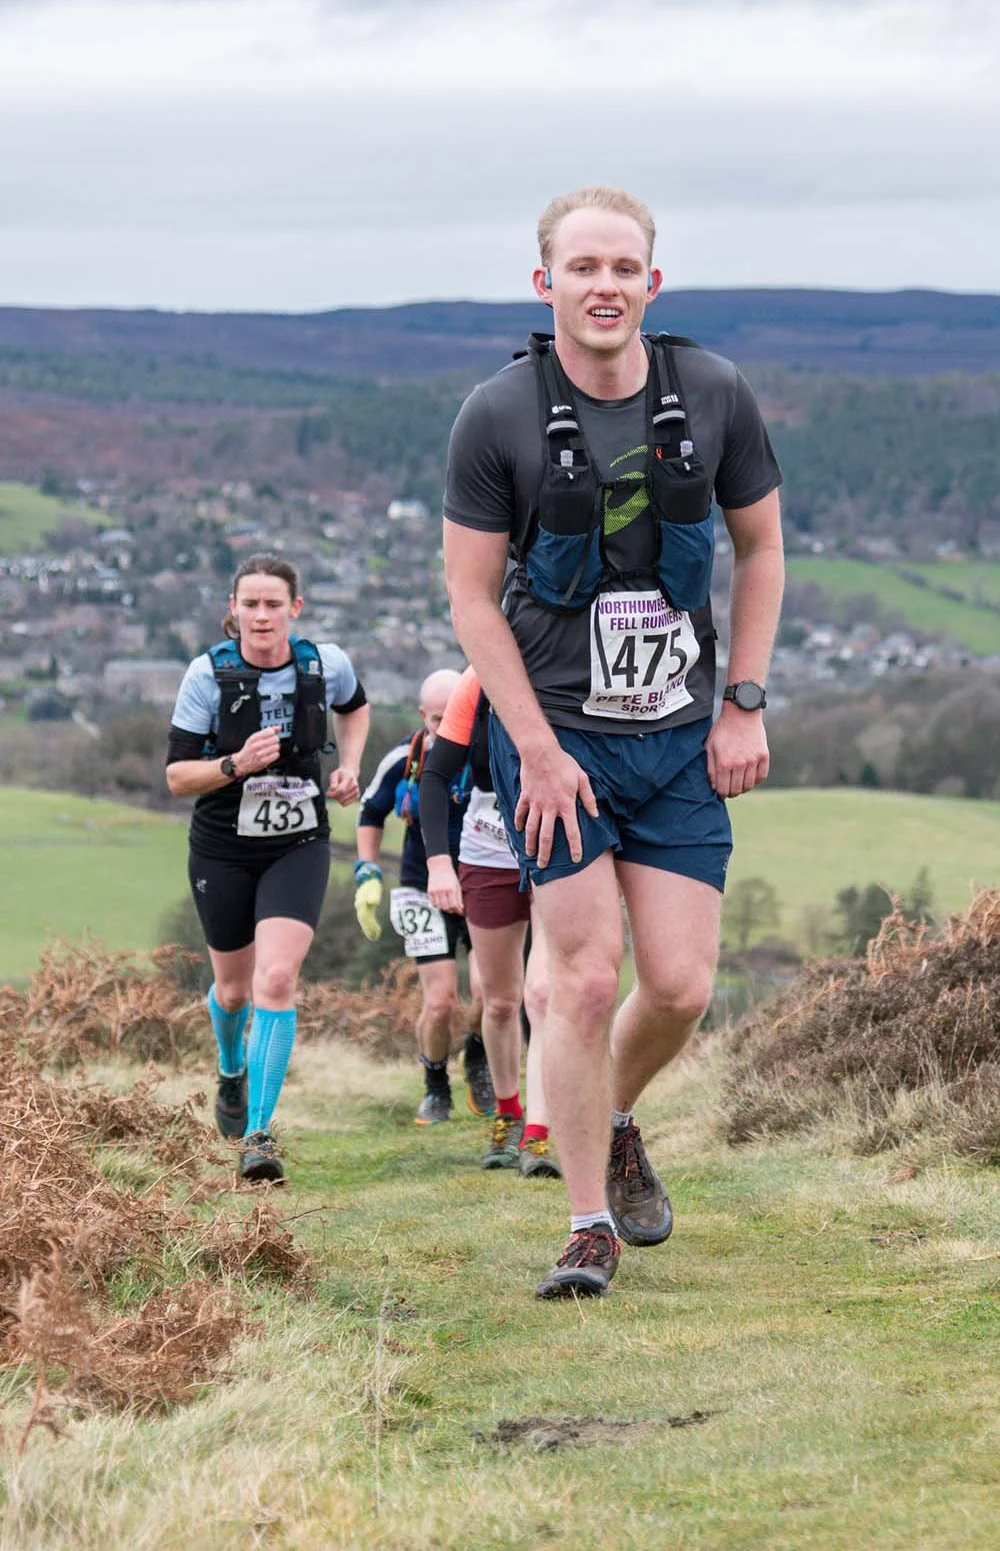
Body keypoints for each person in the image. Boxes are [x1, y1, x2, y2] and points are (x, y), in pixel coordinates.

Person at [443, 185, 783, 1298]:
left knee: (679, 985)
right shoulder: (495, 415)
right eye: (580, 267)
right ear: (544, 284)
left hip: (679, 732)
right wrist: (534, 749)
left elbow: (761, 549)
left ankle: (618, 1115)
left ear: (652, 281)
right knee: (580, 979)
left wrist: (743, 700)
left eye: (622, 267)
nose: (603, 285)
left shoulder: (716, 393)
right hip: (557, 738)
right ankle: (585, 1219)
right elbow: (472, 600)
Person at [164, 553, 370, 1186]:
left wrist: (349, 767)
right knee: (232, 991)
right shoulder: (207, 676)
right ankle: (231, 1067)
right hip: (224, 846)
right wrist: (235, 765)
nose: (261, 615)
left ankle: (258, 1134)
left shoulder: (323, 664)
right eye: (249, 603)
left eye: (273, 604)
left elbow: (355, 709)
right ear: (233, 609)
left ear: (294, 610)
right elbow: (176, 778)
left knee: (275, 980)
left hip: (298, 840)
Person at [415, 669, 560, 1177]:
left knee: (543, 993)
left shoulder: (568, 662)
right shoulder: (477, 681)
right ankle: (509, 1114)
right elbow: (434, 776)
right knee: (499, 1000)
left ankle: (539, 1137)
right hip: (487, 852)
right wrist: (438, 862)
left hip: (557, 845)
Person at [354, 668, 494, 1124]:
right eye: (435, 720)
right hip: (420, 886)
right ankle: (435, 1083)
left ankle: (478, 1057)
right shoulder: (403, 759)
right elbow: (370, 813)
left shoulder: (486, 755)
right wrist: (368, 871)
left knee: (492, 994)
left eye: (453, 717)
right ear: (423, 716)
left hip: (481, 880)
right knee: (440, 1002)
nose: (443, 728)